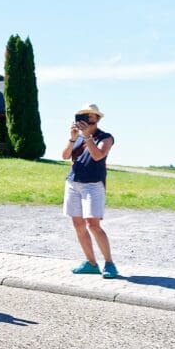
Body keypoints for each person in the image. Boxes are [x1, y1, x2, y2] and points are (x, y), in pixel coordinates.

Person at [61, 103, 117, 279]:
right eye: (83, 116)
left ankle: (109, 263)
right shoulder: (77, 137)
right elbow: (64, 156)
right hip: (73, 183)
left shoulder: (105, 137)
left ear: (97, 119)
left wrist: (87, 137)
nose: (86, 118)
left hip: (93, 185)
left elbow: (98, 156)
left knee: (93, 225)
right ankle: (91, 263)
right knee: (78, 225)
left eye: (90, 116)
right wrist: (72, 138)